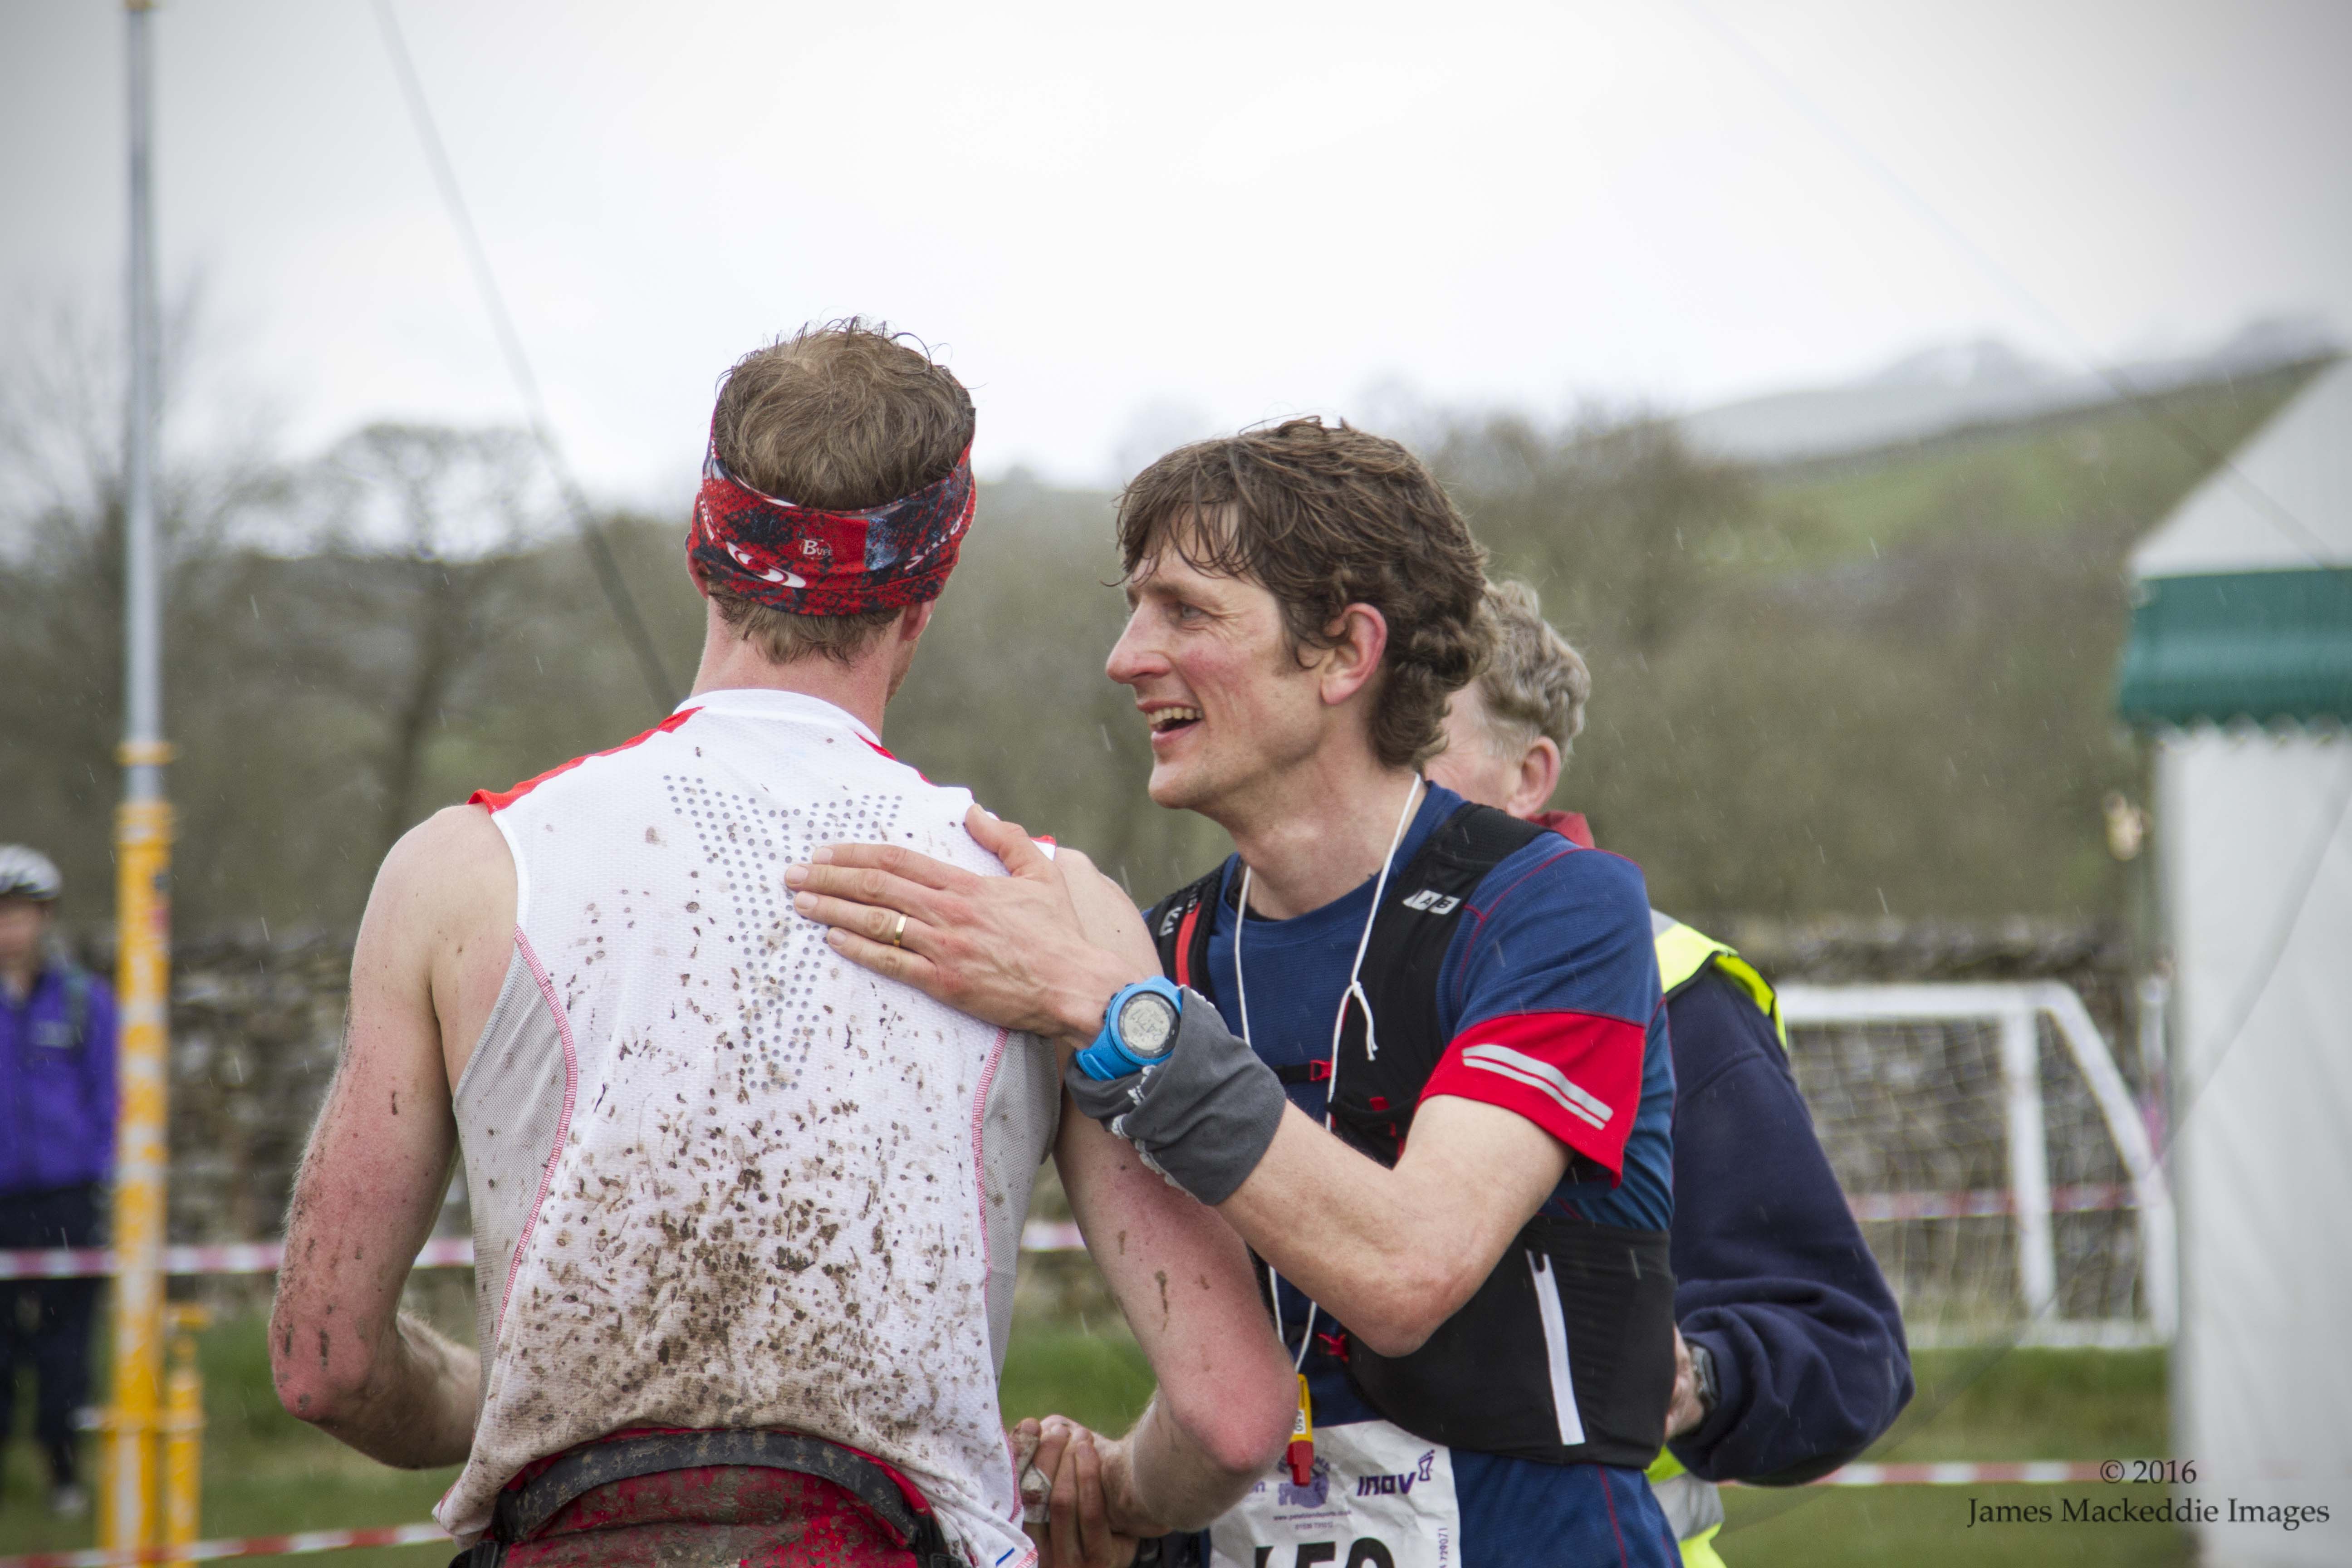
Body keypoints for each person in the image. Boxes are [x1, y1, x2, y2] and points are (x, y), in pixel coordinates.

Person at [268, 322, 1293, 1568]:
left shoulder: (461, 873)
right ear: (928, 587)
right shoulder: (1046, 910)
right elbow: (1234, 1416)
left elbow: (325, 1361)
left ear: (704, 549)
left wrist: (536, 1414)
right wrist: (1113, 1497)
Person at [788, 419, 1682, 1568]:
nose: (1125, 656)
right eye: (1132, 608)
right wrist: (1106, 1493)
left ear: (1344, 653)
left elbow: (1408, 1273)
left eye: (1185, 612)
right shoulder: (1161, 947)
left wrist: (1123, 1022)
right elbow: (1231, 1406)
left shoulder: (1557, 909)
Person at [1422, 580, 1914, 1567]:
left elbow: (1848, 1349)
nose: (1380, 775)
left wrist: (1702, 1376)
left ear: (1530, 776)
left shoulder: (1671, 987)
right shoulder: (1288, 966)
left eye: (1419, 743)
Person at [0, 845, 116, 1520]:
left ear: (43, 918)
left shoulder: (82, 1001)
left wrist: (101, 1169)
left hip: (68, 1198)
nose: (10, 929)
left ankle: (64, 1475)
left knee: (65, 1348)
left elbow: (112, 1097)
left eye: (21, 914)